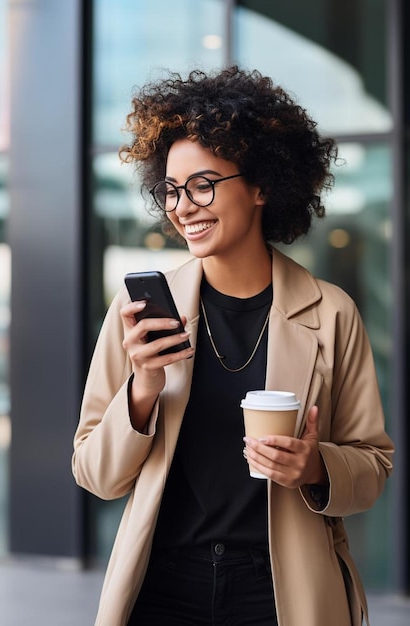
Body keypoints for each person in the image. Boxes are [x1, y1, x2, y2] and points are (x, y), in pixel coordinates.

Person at [72, 67, 394, 626]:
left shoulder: (332, 312)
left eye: (203, 185)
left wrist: (315, 467)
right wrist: (142, 389)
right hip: (161, 585)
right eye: (170, 190)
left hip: (280, 590)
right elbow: (96, 475)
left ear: (262, 185)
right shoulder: (143, 315)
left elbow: (372, 467)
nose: (182, 206)